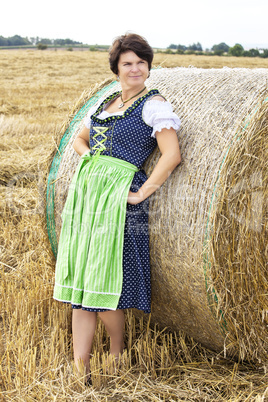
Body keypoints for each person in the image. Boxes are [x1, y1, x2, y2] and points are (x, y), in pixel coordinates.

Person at [53, 33, 181, 381]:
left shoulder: (153, 105)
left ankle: (116, 355)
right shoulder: (104, 103)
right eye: (128, 63)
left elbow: (172, 154)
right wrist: (91, 158)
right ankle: (80, 369)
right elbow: (80, 139)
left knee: (106, 277)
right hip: (88, 196)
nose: (136, 68)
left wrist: (142, 193)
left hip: (120, 196)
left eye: (141, 62)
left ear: (149, 67)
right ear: (116, 69)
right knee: (83, 279)